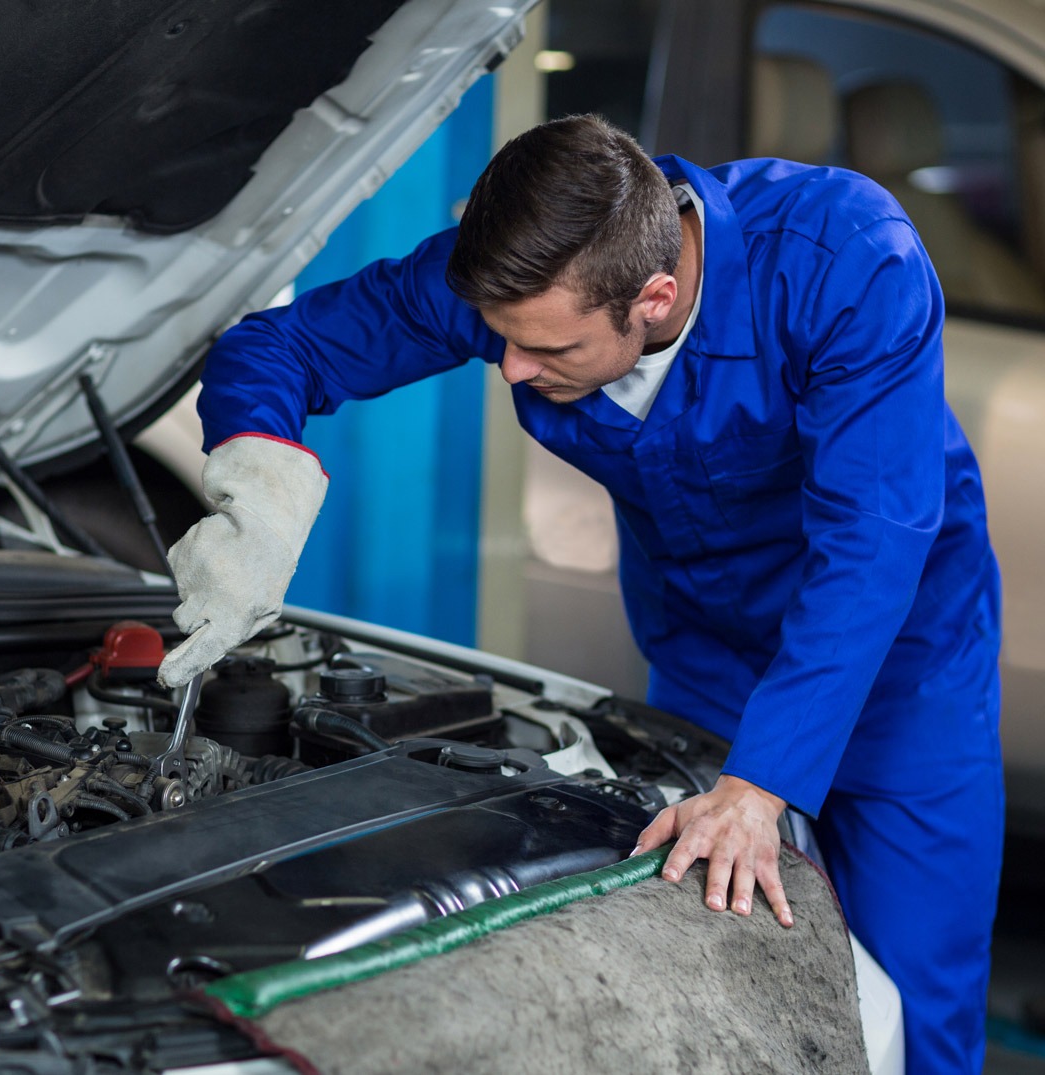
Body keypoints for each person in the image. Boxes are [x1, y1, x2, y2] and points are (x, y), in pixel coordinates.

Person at [158, 115, 1003, 1074]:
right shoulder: (523, 280)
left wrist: (761, 786)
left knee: (913, 997)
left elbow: (870, 548)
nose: (511, 367)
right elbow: (280, 348)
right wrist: (261, 491)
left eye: (544, 350)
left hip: (904, 665)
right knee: (718, 979)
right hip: (705, 653)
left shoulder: (846, 258)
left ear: (655, 296)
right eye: (502, 341)